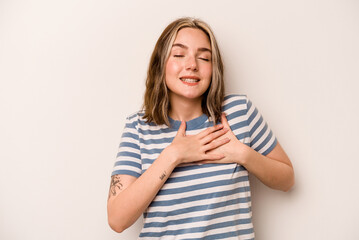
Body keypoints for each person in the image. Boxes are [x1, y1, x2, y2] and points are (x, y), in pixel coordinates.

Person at [107, 17, 294, 239]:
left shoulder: (239, 112)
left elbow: (287, 180)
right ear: (160, 64)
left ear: (213, 68)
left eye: (204, 57)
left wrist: (243, 154)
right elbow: (117, 220)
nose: (192, 65)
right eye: (178, 54)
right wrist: (173, 155)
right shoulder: (138, 128)